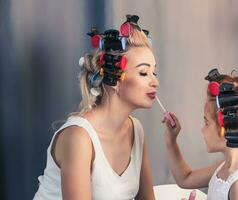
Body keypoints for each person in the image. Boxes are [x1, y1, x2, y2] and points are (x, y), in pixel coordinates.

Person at [33, 14, 158, 200]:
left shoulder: (136, 130)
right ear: (114, 79)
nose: (155, 81)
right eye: (143, 72)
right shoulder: (79, 137)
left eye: (154, 72)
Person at [162, 68, 238, 200]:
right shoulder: (225, 168)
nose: (202, 130)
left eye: (206, 122)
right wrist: (171, 140)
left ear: (228, 126)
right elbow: (185, 178)